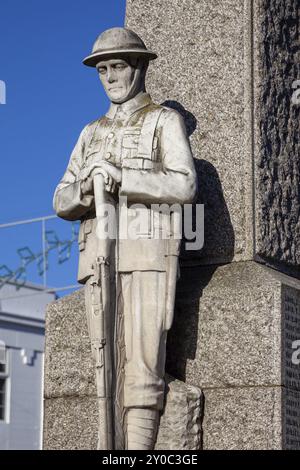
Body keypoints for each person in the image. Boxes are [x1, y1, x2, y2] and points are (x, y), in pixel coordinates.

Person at [53, 27, 197, 450]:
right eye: (102, 69)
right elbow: (60, 197)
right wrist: (84, 188)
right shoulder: (90, 132)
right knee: (105, 363)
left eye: (118, 66)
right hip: (99, 256)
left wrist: (123, 179)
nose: (110, 77)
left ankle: (138, 453)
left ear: (139, 67)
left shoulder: (163, 120)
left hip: (149, 252)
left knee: (144, 359)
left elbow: (184, 185)